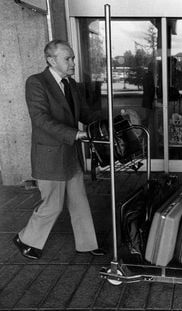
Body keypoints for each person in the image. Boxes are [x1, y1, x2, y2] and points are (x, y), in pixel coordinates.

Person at [13, 39, 105, 260]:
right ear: (51, 60)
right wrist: (75, 134)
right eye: (68, 58)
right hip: (50, 155)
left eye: (72, 58)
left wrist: (108, 121)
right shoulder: (36, 83)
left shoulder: (70, 84)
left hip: (70, 154)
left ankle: (87, 243)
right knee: (53, 205)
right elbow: (41, 119)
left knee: (79, 201)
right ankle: (25, 239)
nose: (73, 62)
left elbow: (84, 113)